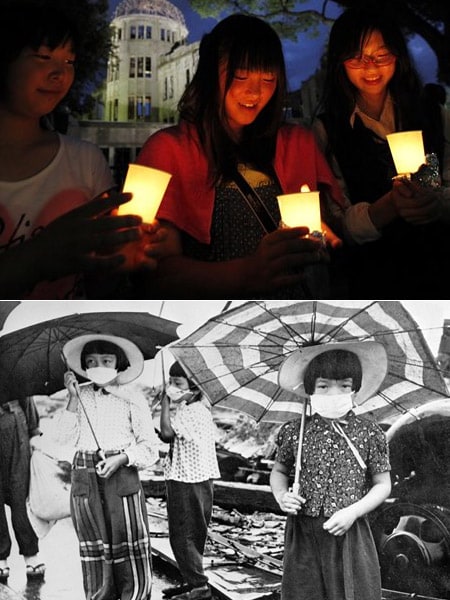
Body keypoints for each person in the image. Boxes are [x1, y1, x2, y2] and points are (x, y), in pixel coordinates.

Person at [134, 14, 356, 300]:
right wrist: (247, 273)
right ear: (211, 72)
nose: (255, 92)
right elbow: (154, 274)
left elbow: (331, 222)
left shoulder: (296, 142)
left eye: (268, 78)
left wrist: (319, 233)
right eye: (241, 75)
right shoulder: (168, 149)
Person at [0, 1, 170, 299]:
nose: (60, 73)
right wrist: (36, 258)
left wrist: (117, 262)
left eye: (69, 62)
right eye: (43, 56)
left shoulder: (86, 160)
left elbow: (95, 289)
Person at [312, 5, 450, 297]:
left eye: (381, 55)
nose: (371, 67)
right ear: (339, 62)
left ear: (398, 55)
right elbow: (339, 219)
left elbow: (446, 177)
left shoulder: (433, 114)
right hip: (377, 279)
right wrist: (388, 207)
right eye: (356, 57)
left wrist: (438, 203)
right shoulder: (328, 132)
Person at [270, 341, 392, 600]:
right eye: (323, 386)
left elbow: (383, 484)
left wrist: (352, 512)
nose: (333, 393)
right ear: (309, 389)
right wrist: (282, 496)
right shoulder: (294, 431)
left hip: (349, 530)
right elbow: (279, 472)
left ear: (355, 389)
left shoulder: (369, 433)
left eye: (344, 386)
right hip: (302, 532)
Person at [58, 334, 159, 600]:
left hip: (121, 474)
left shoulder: (133, 399)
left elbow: (151, 449)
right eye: (91, 361)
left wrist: (122, 458)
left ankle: (134, 595)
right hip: (85, 478)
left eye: (106, 360)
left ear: (119, 363)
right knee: (94, 544)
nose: (98, 365)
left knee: (127, 541)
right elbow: (62, 439)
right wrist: (71, 398)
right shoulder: (80, 396)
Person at [159, 361, 220, 600]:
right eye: (170, 382)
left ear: (193, 386)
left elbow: (166, 434)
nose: (172, 387)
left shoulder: (192, 411)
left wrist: (164, 404)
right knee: (193, 532)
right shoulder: (194, 408)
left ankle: (199, 587)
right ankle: (192, 580)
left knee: (183, 533)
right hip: (196, 478)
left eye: (177, 383)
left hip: (187, 479)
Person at [0, 397, 45, 584]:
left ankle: (31, 553)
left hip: (16, 427)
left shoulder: (13, 368)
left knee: (22, 493)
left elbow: (26, 395)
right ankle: (0, 557)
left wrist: (34, 433)